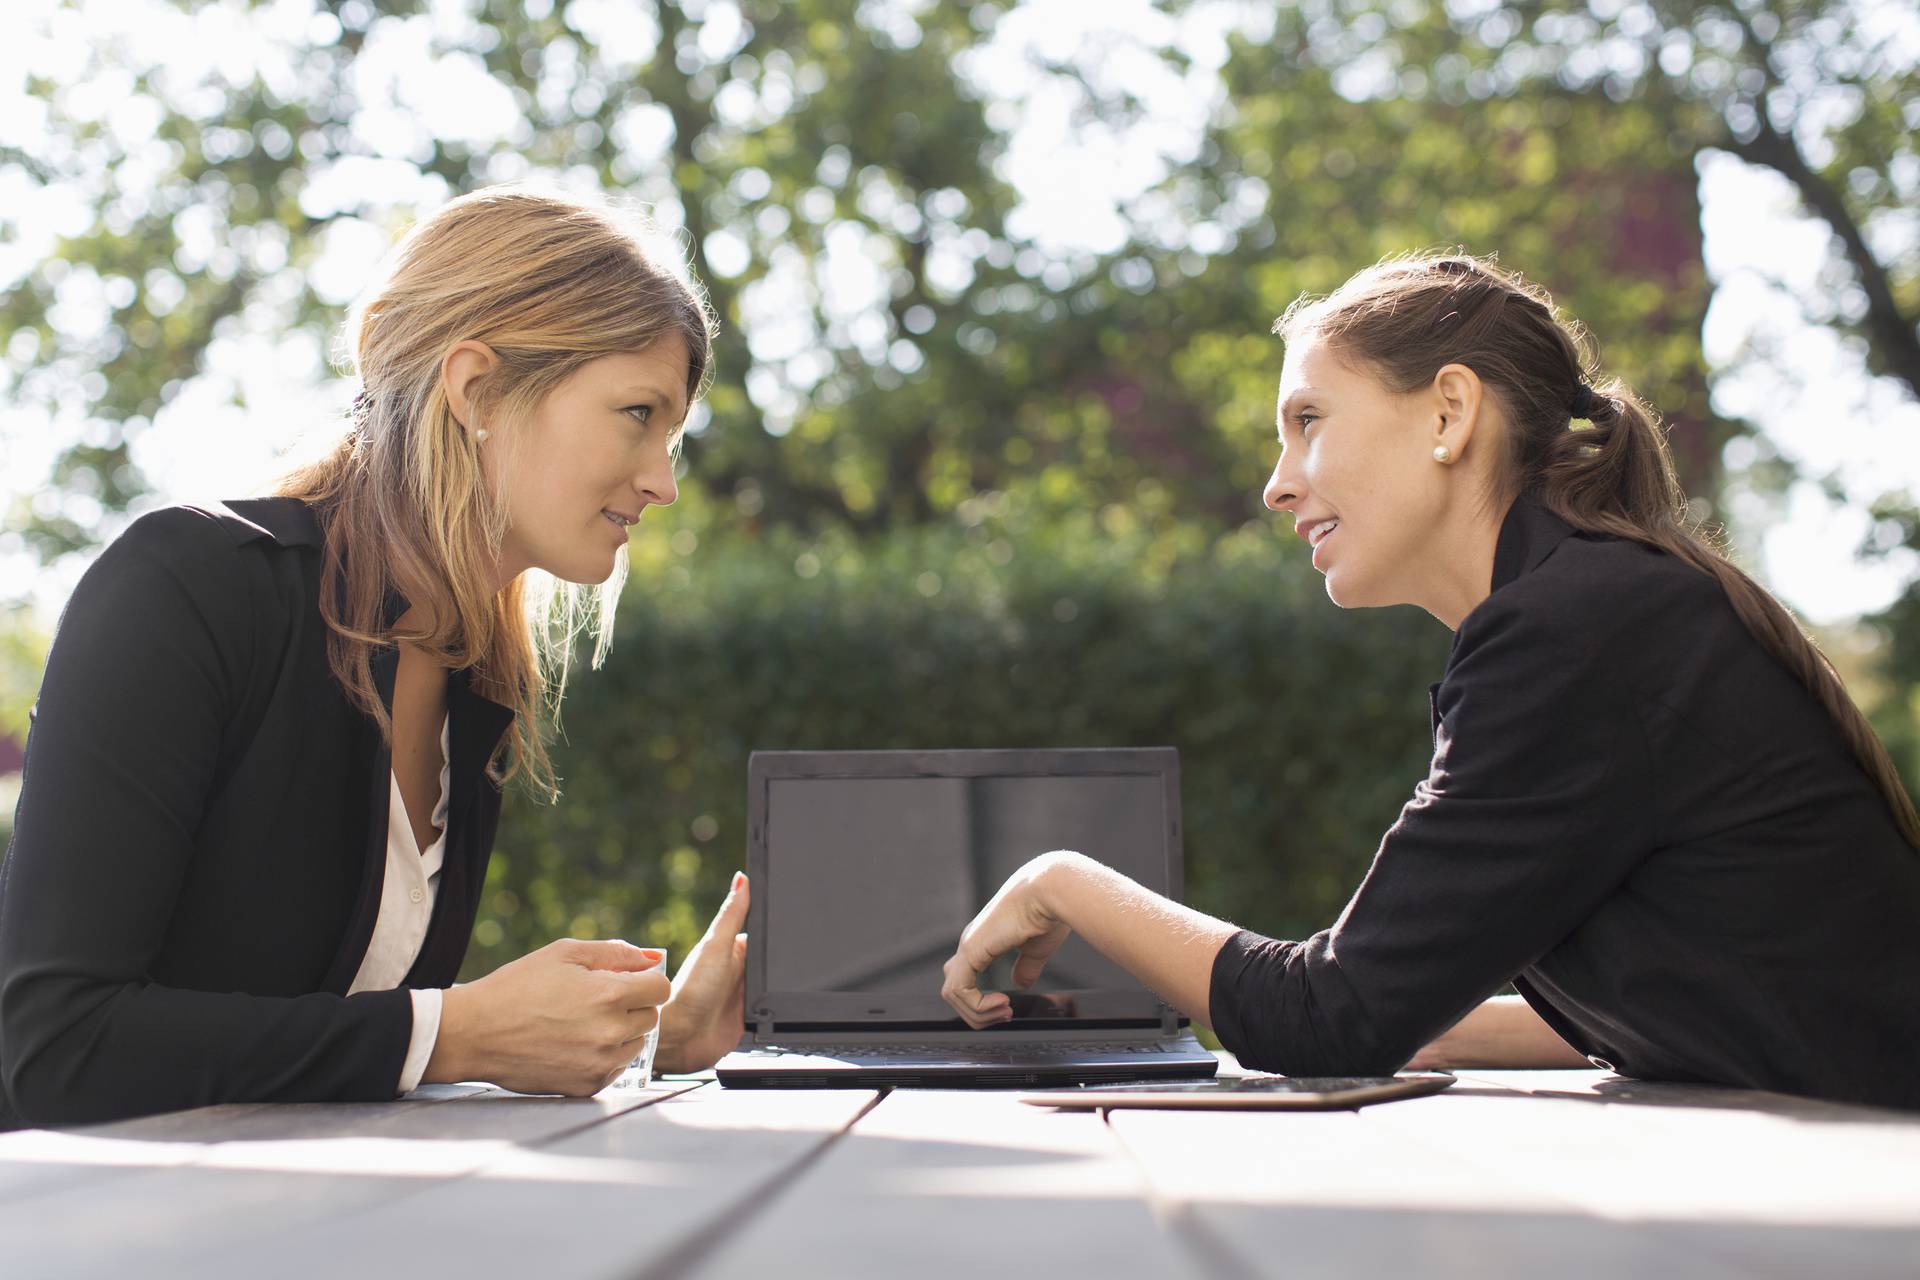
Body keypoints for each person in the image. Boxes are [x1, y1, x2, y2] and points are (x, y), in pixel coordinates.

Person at [941, 252, 1920, 1110]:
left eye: (1309, 420)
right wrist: (1435, 1020)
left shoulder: (1574, 632)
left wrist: (1059, 879)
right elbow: (1724, 991)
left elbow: (1328, 1016)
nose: (1277, 483)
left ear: (1449, 412)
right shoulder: (1594, 606)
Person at [0, 186, 750, 1128]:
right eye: (638, 414)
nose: (664, 481)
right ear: (477, 388)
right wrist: (456, 1032)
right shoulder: (186, 590)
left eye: (672, 434)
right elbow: (54, 1047)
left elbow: (326, 1047)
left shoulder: (477, 685)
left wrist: (647, 1038)